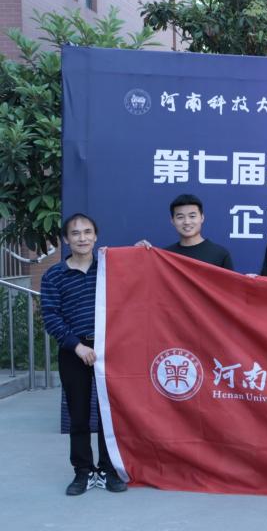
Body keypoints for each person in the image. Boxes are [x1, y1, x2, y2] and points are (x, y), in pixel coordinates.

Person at [41, 213, 127, 495]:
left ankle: (108, 469)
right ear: (66, 239)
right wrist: (77, 346)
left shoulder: (108, 268)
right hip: (73, 352)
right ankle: (83, 472)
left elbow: (137, 282)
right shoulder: (54, 275)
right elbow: (50, 316)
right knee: (78, 416)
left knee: (108, 415)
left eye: (87, 232)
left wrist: (143, 251)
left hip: (108, 351)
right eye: (75, 233)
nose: (82, 238)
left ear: (96, 236)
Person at [136, 194, 234, 269]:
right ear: (172, 221)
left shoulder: (220, 255)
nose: (187, 222)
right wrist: (139, 254)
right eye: (180, 217)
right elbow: (148, 282)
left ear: (202, 218)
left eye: (192, 216)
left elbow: (229, 289)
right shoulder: (165, 256)